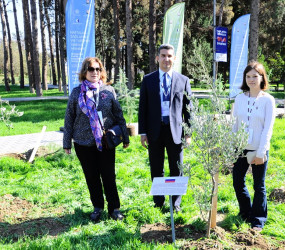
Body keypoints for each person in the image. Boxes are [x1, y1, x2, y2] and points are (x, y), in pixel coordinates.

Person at [63, 57, 130, 222]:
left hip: (106, 143)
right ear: (85, 72)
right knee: (92, 177)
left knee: (108, 176)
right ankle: (97, 207)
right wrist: (66, 142)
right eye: (91, 69)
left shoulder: (108, 91)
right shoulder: (76, 93)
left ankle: (114, 209)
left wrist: (125, 136)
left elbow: (118, 115)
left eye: (98, 69)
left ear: (101, 72)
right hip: (83, 143)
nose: (95, 72)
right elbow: (69, 118)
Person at [138, 44, 192, 212]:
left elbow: (189, 109)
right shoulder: (148, 80)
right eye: (163, 55)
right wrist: (143, 132)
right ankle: (158, 202)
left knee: (177, 167)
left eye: (169, 56)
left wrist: (188, 133)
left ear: (174, 59)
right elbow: (143, 108)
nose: (166, 59)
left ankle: (175, 204)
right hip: (155, 131)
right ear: (157, 58)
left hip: (176, 132)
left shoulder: (183, 81)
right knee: (156, 167)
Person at [232, 61, 275, 231]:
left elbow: (268, 128)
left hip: (259, 148)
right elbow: (234, 125)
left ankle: (258, 219)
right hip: (240, 148)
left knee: (259, 185)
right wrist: (232, 148)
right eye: (248, 76)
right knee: (237, 181)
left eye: (255, 76)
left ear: (262, 78)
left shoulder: (268, 100)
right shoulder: (239, 98)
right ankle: (245, 212)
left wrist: (261, 151)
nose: (251, 79)